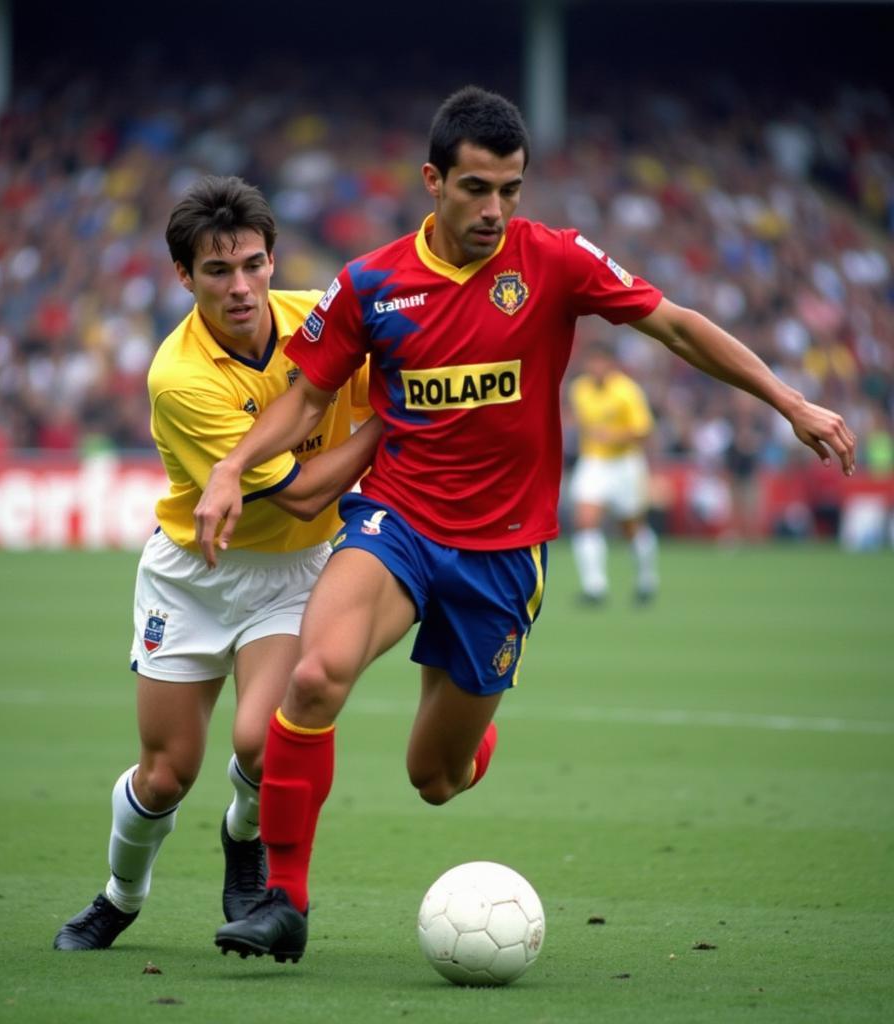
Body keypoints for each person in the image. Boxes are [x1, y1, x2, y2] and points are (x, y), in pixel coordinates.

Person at [194, 87, 857, 964]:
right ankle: (285, 901)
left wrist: (788, 399)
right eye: (476, 188)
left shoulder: (554, 262)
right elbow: (305, 394)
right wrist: (233, 468)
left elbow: (676, 326)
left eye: (511, 188)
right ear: (434, 181)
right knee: (312, 680)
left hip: (505, 550)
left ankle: (476, 729)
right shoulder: (372, 284)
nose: (495, 209)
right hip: (397, 521)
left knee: (436, 779)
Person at [53, 175, 379, 950]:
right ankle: (121, 896)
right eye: (217, 272)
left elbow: (394, 370)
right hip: (193, 579)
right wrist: (388, 429)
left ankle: (245, 836)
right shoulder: (180, 379)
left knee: (264, 745)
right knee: (166, 775)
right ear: (184, 277)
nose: (241, 287)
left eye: (254, 265)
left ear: (273, 260)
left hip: (296, 575)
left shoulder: (318, 321)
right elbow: (299, 494)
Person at [567, 340, 659, 604]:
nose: (595, 368)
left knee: (630, 527)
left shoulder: (626, 391)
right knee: (585, 519)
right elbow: (580, 423)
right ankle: (594, 587)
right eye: (591, 362)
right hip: (593, 461)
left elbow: (644, 431)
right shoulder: (579, 389)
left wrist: (614, 436)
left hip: (624, 463)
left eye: (600, 362)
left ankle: (646, 579)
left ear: (611, 364)